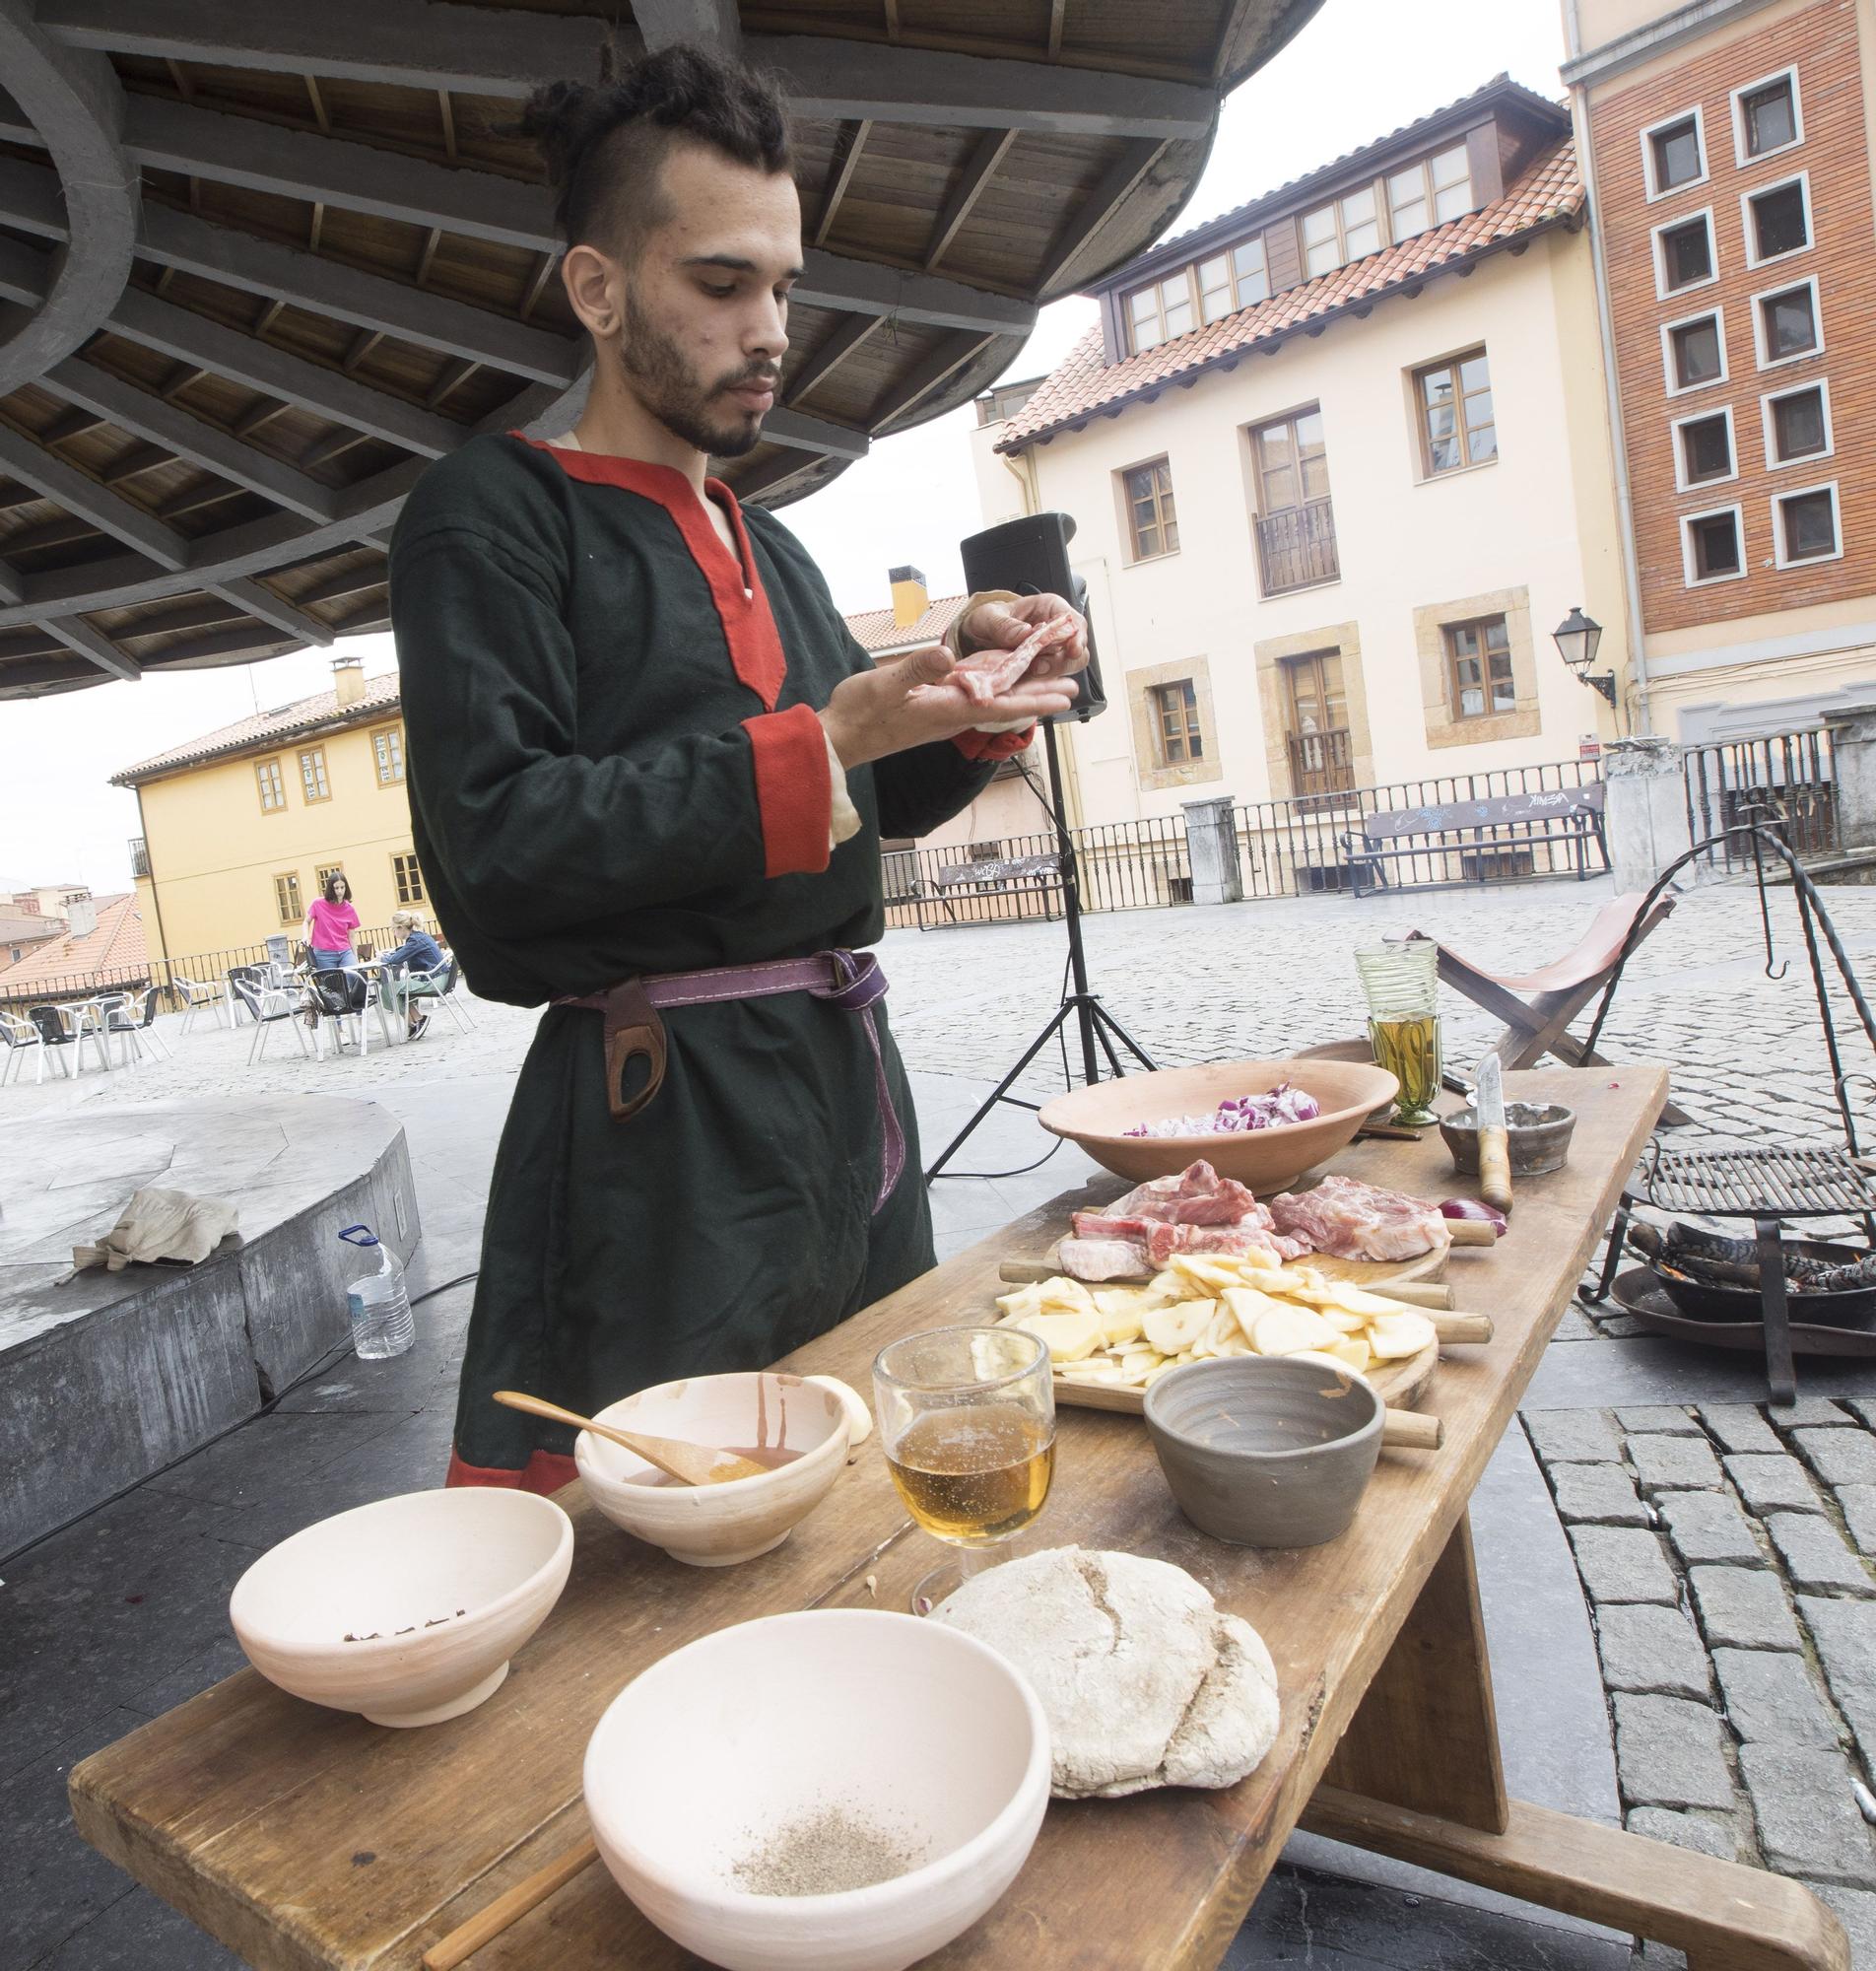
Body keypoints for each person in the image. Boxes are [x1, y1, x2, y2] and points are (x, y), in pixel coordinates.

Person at [389, 43, 1089, 1492]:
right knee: (663, 1541)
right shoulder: (491, 514)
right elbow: (496, 848)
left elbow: (854, 808)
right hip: (660, 1133)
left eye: (782, 285)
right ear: (599, 289)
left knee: (875, 1478)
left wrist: (960, 705)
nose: (770, 328)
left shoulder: (771, 540)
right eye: (720, 285)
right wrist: (825, 739)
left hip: (848, 1085)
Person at [375, 909, 447, 1039]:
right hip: (439, 977)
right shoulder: (418, 937)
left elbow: (394, 960)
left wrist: (381, 958)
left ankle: (413, 1023)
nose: (393, 933)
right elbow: (402, 953)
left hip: (435, 981)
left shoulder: (414, 941)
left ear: (401, 927)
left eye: (393, 929)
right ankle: (416, 1021)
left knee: (389, 989)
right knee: (396, 990)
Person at [304, 874, 360, 975]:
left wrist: (355, 957)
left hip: (345, 951)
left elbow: (351, 936)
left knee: (353, 975)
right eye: (336, 888)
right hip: (323, 953)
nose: (339, 891)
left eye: (342, 887)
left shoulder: (350, 909)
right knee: (331, 984)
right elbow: (306, 921)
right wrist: (306, 936)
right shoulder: (318, 903)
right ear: (331, 888)